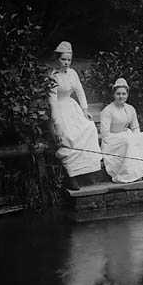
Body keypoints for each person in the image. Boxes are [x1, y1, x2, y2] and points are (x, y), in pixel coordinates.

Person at [49, 41, 102, 190]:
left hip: (73, 108)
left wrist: (85, 110)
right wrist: (57, 124)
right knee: (70, 137)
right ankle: (72, 176)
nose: (66, 63)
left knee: (89, 128)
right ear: (57, 59)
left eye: (69, 60)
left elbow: (80, 92)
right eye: (63, 59)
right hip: (60, 110)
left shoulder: (73, 73)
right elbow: (52, 103)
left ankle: (88, 170)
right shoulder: (53, 77)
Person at [100, 78, 143, 183]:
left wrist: (137, 138)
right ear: (113, 95)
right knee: (129, 141)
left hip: (127, 136)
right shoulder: (107, 111)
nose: (121, 96)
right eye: (118, 94)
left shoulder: (131, 108)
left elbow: (135, 127)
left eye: (123, 94)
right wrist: (125, 137)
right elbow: (105, 134)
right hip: (112, 141)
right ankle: (129, 174)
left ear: (127, 94)